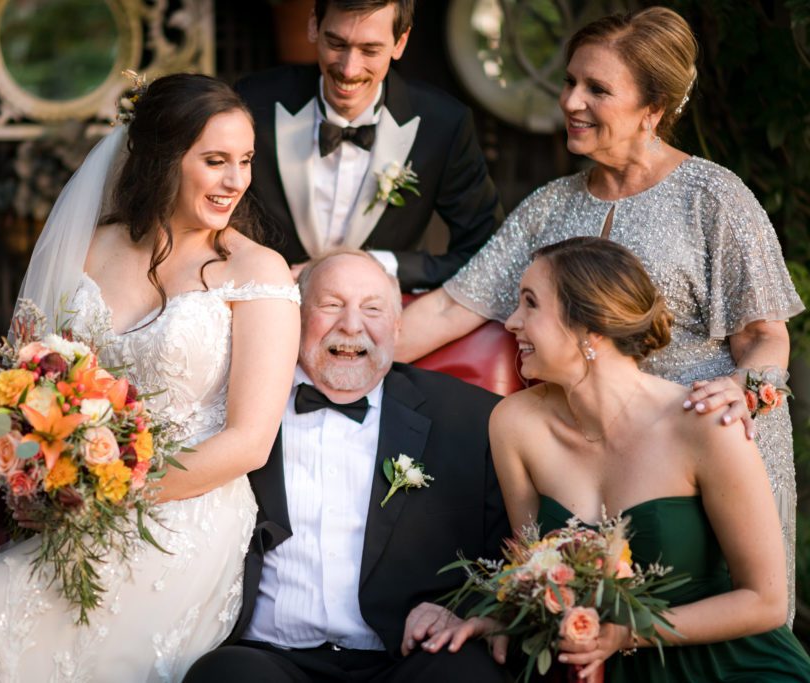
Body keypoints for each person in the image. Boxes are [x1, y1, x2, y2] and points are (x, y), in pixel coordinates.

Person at [398, 6, 805, 620]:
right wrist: (327, 347)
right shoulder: (547, 207)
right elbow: (452, 308)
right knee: (594, 630)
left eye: (597, 89)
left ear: (653, 108)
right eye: (569, 82)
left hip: (713, 446)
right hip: (598, 468)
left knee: (720, 620)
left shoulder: (713, 197)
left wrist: (743, 391)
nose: (571, 101)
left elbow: (765, 336)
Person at [0, 74, 301, 682]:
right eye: (215, 161)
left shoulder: (258, 272)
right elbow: (28, 383)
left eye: (246, 161)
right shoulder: (88, 248)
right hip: (71, 506)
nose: (236, 181)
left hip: (186, 515)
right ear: (161, 158)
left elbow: (249, 442)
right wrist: (31, 487)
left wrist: (113, 495)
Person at [424, 238, 810, 682]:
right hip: (598, 666)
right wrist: (491, 618)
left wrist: (628, 634)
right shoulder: (514, 424)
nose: (511, 323)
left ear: (592, 326)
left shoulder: (704, 424)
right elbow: (535, 576)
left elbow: (765, 601)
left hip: (731, 664)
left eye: (530, 304)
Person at [183, 249, 510, 683]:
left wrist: (462, 610)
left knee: (471, 673)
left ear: (397, 327)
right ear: (295, 318)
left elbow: (511, 555)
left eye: (372, 309)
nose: (352, 325)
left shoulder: (470, 418)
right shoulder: (239, 407)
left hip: (406, 657)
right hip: (269, 658)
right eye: (331, 304)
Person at [236, 0, 503, 291]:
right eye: (336, 43)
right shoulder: (252, 102)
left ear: (400, 42)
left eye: (370, 50)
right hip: (269, 307)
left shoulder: (444, 125)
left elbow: (488, 251)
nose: (349, 70)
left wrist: (379, 265)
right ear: (314, 24)